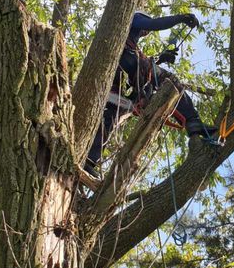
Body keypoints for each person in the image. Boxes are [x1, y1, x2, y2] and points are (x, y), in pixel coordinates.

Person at [84, 11, 217, 176]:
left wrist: (161, 58)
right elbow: (153, 25)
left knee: (112, 115)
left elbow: (136, 65)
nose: (145, 33)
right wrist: (179, 18)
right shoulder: (131, 18)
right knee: (169, 80)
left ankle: (90, 159)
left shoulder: (130, 46)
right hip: (119, 76)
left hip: (117, 85)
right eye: (143, 31)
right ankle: (192, 121)